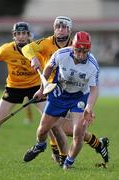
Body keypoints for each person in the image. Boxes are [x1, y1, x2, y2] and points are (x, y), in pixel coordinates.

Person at [22, 16, 109, 166]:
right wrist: (42, 89)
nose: (81, 55)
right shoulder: (61, 54)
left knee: (77, 132)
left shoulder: (92, 65)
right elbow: (48, 67)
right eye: (78, 51)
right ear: (73, 47)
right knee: (44, 130)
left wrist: (89, 107)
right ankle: (42, 145)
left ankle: (67, 162)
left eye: (84, 51)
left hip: (79, 97)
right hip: (59, 93)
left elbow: (94, 89)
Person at [0, 21, 46, 134]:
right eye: (18, 33)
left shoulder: (38, 49)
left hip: (36, 87)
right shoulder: (6, 50)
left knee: (49, 121)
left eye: (24, 33)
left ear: (29, 35)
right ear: (14, 36)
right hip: (13, 88)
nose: (21, 36)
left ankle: (56, 151)